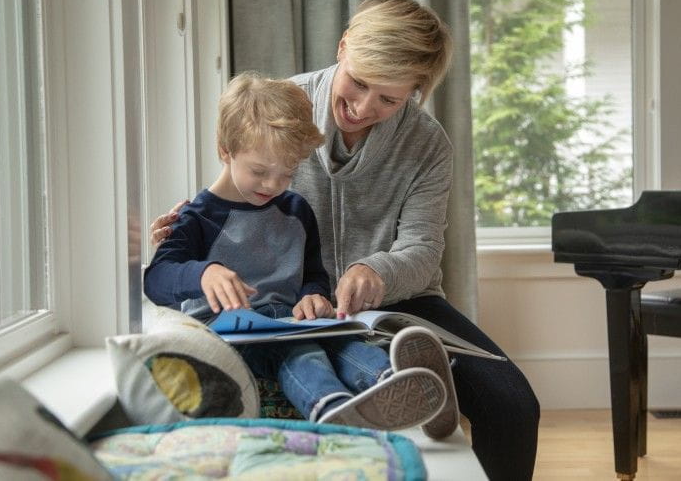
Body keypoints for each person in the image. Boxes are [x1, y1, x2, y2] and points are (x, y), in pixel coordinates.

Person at [150, 0, 540, 480]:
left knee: (513, 405)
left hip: (399, 302)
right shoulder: (279, 109)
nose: (362, 107)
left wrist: (374, 270)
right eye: (358, 83)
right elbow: (238, 189)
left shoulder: (428, 144)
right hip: (291, 307)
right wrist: (188, 226)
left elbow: (422, 249)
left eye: (389, 99)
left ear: (415, 92)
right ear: (342, 47)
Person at [143, 72, 458, 432]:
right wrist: (203, 273)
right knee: (300, 353)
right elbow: (156, 280)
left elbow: (312, 275)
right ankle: (331, 408)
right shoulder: (195, 218)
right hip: (237, 336)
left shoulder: (295, 210)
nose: (274, 185)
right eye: (260, 171)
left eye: (288, 172)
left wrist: (313, 298)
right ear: (225, 150)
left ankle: (411, 387)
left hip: (293, 325)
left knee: (345, 341)